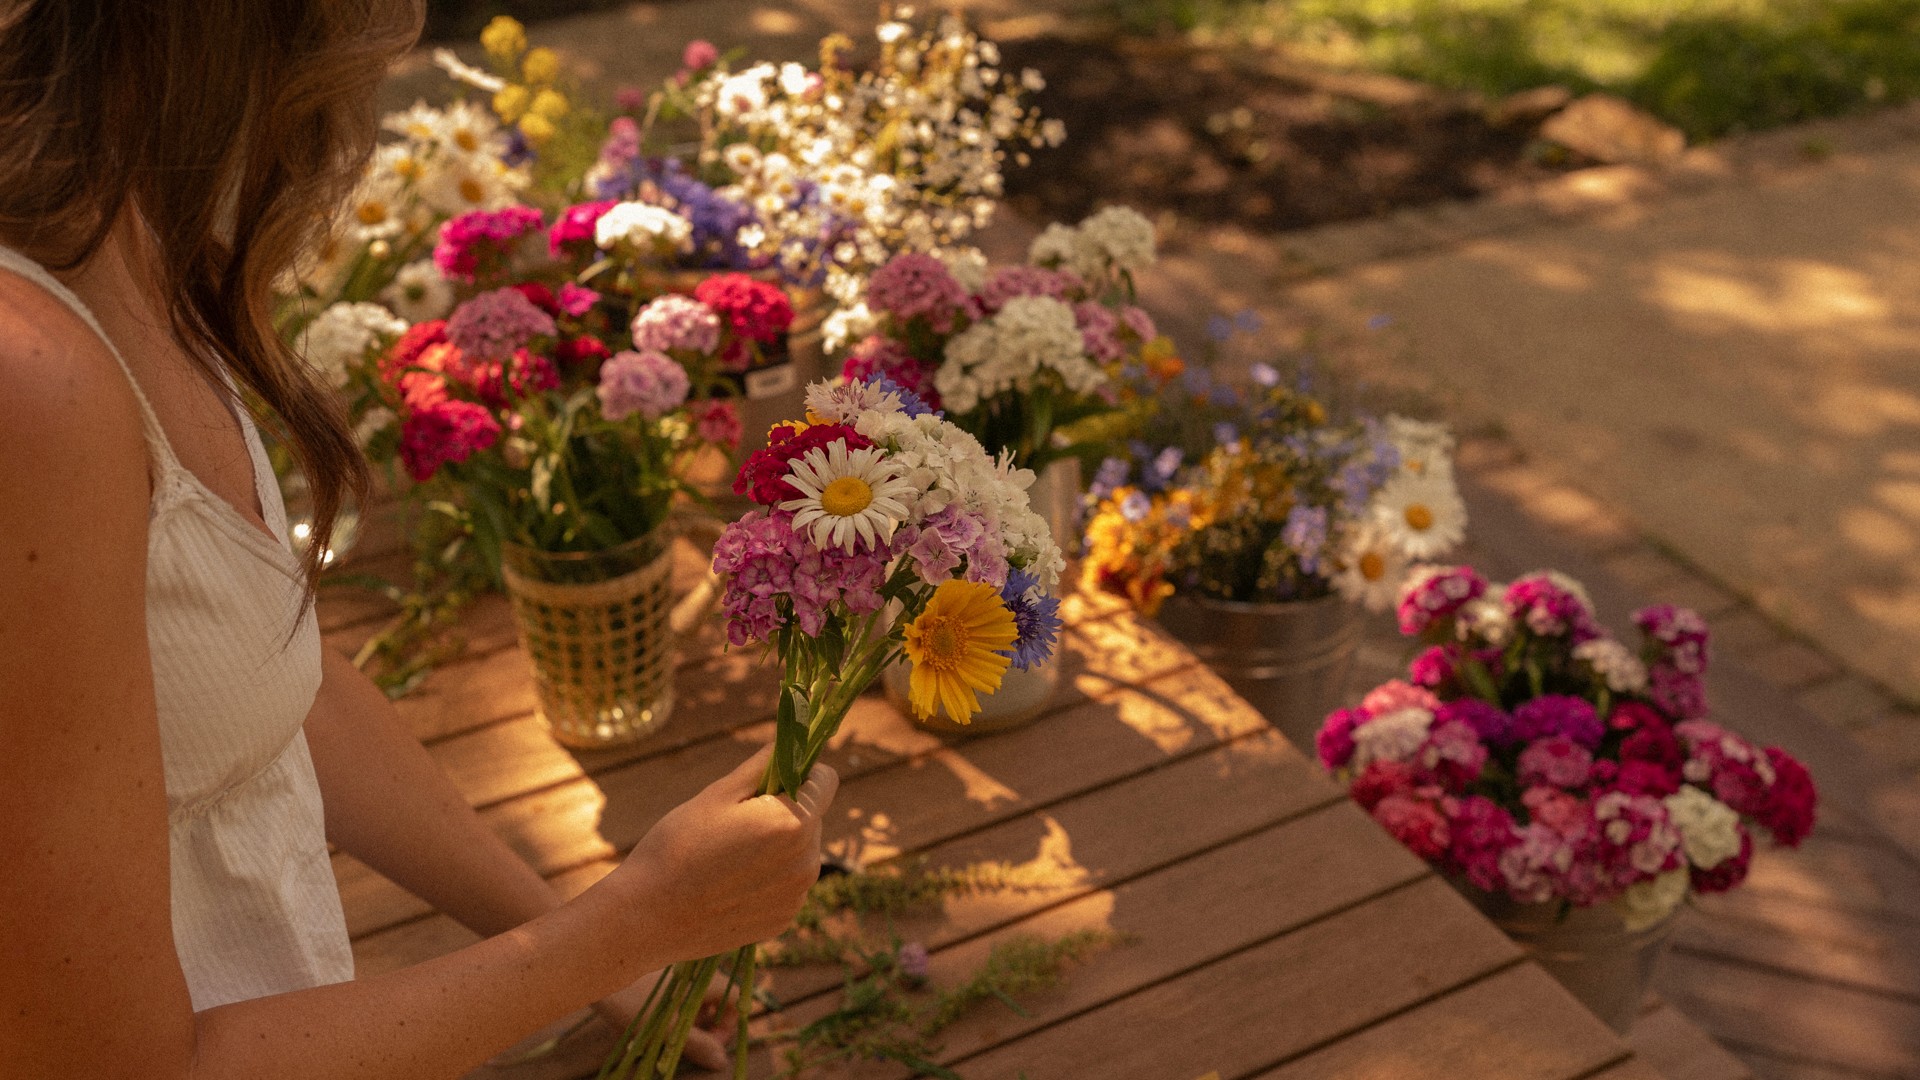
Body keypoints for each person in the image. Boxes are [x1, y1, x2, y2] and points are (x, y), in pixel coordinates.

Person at [0, 2, 835, 1076]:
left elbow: (265, 680)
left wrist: (597, 951)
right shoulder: (30, 380)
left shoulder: (129, 242)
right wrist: (630, 924)